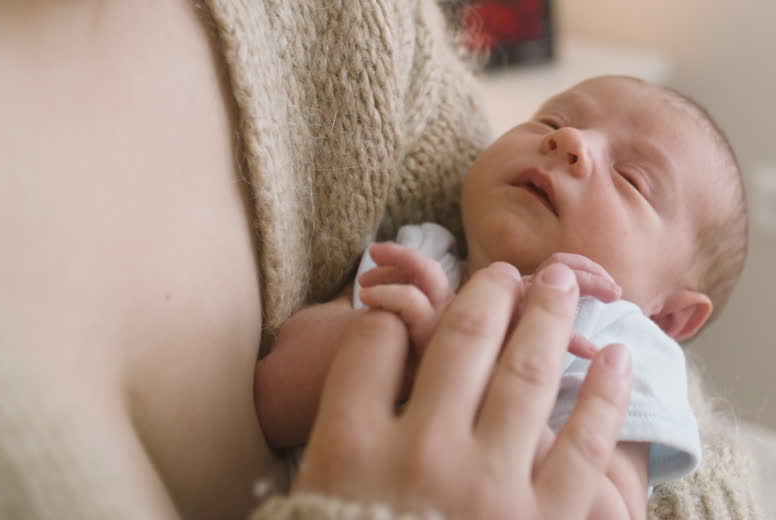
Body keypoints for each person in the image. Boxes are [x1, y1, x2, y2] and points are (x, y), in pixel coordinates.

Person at [0, 0, 763, 518]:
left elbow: (678, 464)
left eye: (633, 176)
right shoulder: (428, 243)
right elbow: (287, 380)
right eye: (552, 119)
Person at [256, 75, 750, 519]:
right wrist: (415, 350)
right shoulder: (422, 255)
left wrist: (479, 361)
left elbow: (610, 509)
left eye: (632, 180)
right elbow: (273, 392)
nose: (569, 140)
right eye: (551, 120)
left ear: (667, 316)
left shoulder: (620, 345)